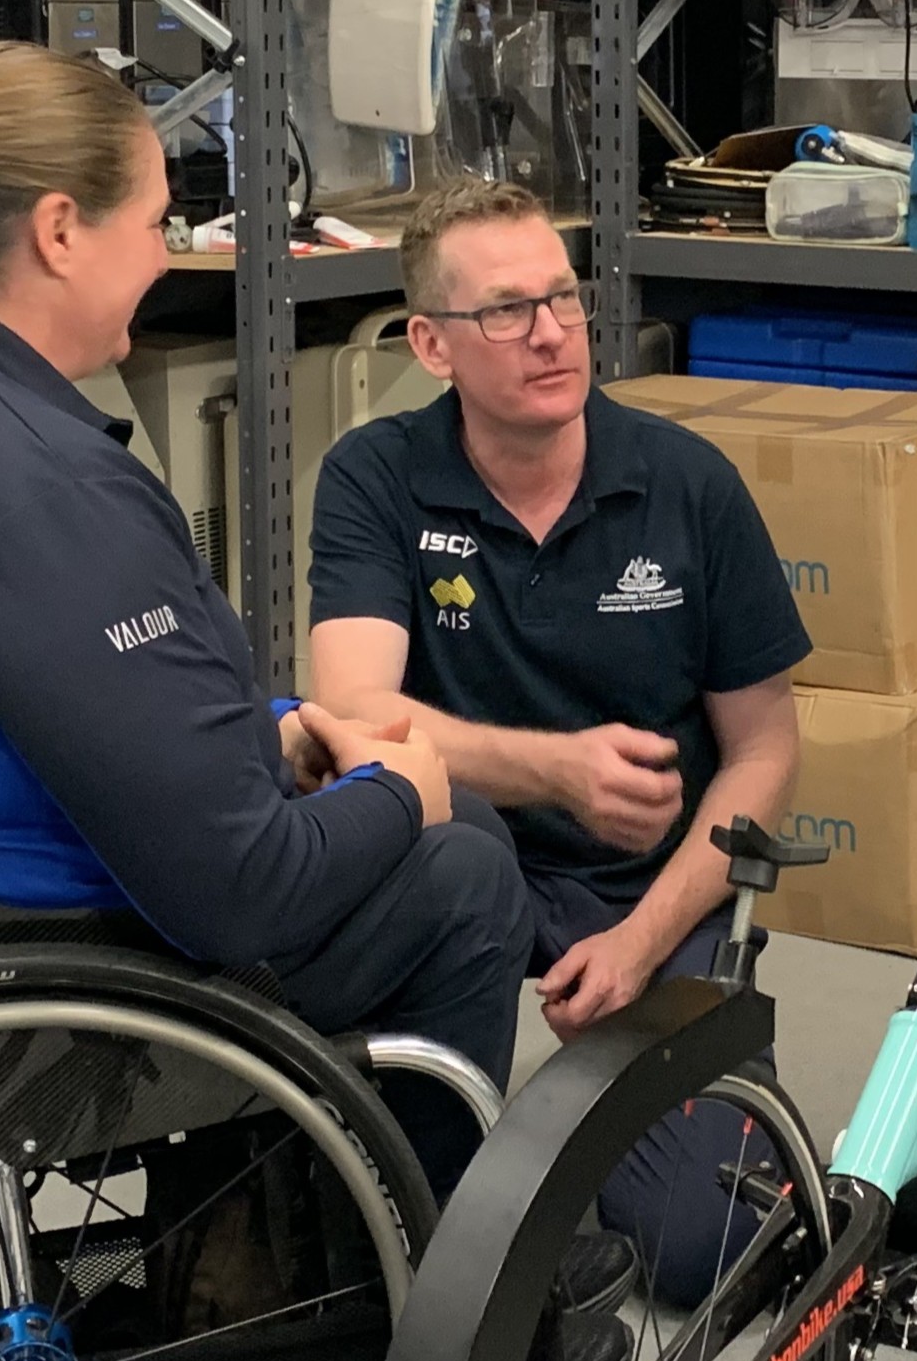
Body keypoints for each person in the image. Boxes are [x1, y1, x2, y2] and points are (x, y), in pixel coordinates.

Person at [0, 45, 634, 1361]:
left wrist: (270, 735)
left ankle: (282, 1242)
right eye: (153, 222)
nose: (163, 256)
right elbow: (239, 895)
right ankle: (432, 1324)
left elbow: (23, 694)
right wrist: (402, 791)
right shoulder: (40, 482)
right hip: (40, 977)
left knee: (385, 801)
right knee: (460, 866)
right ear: (58, 232)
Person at [305, 180, 809, 1302]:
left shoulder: (686, 485)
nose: (550, 332)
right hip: (454, 873)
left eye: (563, 297)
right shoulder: (377, 477)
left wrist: (641, 942)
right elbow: (355, 715)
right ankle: (453, 1169)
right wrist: (559, 771)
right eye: (505, 310)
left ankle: (580, 1125)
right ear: (430, 345)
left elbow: (765, 751)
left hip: (643, 888)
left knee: (708, 1245)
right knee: (397, 1217)